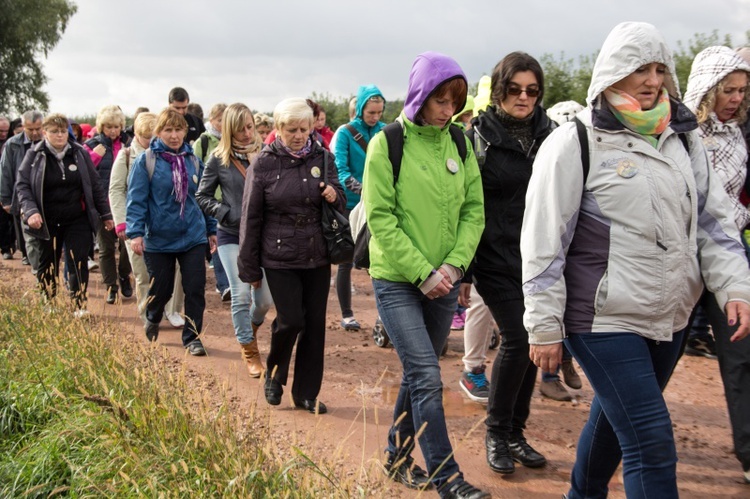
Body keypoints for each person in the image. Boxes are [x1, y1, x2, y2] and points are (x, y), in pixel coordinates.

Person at [522, 22, 750, 498]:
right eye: (638, 68)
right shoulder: (575, 142)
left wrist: (734, 287)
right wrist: (543, 325)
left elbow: (714, 224)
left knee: (612, 423)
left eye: (659, 68)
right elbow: (544, 240)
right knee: (650, 442)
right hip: (600, 317)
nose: (651, 80)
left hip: (670, 317)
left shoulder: (684, 139)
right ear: (610, 74)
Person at [363, 52, 487, 498]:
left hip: (445, 281)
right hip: (397, 279)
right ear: (420, 96)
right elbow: (381, 217)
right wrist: (422, 273)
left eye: (454, 101)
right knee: (428, 376)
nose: (447, 110)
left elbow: (474, 210)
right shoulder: (388, 143)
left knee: (421, 374)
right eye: (439, 99)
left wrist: (453, 266)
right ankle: (445, 476)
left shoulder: (459, 143)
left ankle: (396, 457)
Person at [459, 52, 557, 475]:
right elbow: (461, 204)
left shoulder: (552, 134)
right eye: (515, 89)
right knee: (518, 337)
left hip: (539, 256)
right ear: (499, 90)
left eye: (532, 90)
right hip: (493, 256)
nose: (524, 97)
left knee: (535, 341)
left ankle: (516, 432)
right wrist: (462, 270)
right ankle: (497, 433)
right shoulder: (475, 136)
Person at [238, 97, 345, 415]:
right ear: (278, 128)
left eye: (303, 128)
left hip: (317, 255)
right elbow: (251, 216)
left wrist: (334, 194)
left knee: (314, 326)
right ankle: (275, 374)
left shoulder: (323, 157)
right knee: (291, 320)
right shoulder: (265, 163)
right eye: (291, 129)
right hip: (279, 256)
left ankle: (306, 394)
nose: (298, 135)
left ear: (312, 126)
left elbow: (340, 201)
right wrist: (249, 267)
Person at [683, 45, 750, 485]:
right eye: (729, 90)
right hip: (681, 261)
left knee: (740, 354)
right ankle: (610, 448)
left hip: (729, 259)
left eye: (743, 91)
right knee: (652, 360)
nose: (737, 98)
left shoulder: (740, 137)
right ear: (708, 89)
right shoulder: (680, 135)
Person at [126, 108, 217, 356]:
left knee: (195, 288)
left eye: (179, 130)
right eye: (168, 130)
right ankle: (153, 316)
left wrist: (211, 229)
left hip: (193, 236)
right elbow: (136, 200)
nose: (174, 135)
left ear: (186, 132)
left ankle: (192, 337)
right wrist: (135, 233)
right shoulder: (146, 161)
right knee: (161, 289)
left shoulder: (194, 161)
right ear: (158, 132)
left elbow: (203, 198)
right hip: (159, 237)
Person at [197, 103, 273, 378]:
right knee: (240, 294)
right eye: (239, 128)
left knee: (264, 301)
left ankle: (250, 327)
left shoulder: (267, 154)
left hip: (264, 235)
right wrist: (225, 212)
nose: (246, 132)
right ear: (228, 129)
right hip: (231, 234)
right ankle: (249, 349)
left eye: (250, 126)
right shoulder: (218, 158)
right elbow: (202, 196)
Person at [15, 113, 114, 315]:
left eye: (63, 131)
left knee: (78, 260)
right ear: (45, 133)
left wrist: (106, 214)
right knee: (47, 262)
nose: (60, 135)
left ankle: (79, 304)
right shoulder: (35, 155)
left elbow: (94, 185)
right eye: (54, 131)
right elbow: (22, 185)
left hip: (76, 218)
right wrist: (32, 211)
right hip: (46, 218)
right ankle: (49, 301)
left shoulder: (79, 153)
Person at [109, 111, 185, 326]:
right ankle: (147, 313)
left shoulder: (169, 155)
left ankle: (173, 310)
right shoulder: (125, 156)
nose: (150, 142)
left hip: (166, 223)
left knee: (176, 270)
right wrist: (122, 221)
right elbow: (116, 190)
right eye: (146, 137)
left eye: (154, 137)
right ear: (136, 135)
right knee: (142, 273)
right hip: (137, 225)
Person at [333, 84, 386, 331]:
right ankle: (347, 314)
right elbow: (340, 170)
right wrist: (363, 189)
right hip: (351, 206)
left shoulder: (386, 132)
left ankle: (384, 317)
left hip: (379, 206)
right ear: (361, 108)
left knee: (379, 262)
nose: (375, 117)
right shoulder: (345, 133)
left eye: (379, 112)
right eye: (371, 112)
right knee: (346, 260)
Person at [84, 105, 133, 304]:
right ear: (101, 126)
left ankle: (123, 275)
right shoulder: (91, 144)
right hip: (102, 204)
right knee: (105, 248)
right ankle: (110, 286)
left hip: (125, 203)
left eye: (116, 127)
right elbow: (84, 172)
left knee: (126, 245)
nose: (113, 131)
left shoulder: (128, 145)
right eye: (108, 127)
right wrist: (96, 154)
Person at [194, 102, 231, 302]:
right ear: (211, 120)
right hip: (211, 200)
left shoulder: (232, 140)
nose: (222, 124)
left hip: (230, 198)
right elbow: (196, 166)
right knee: (216, 239)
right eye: (219, 120)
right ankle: (223, 284)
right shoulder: (204, 141)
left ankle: (230, 282)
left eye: (226, 120)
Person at [1, 110, 44, 267]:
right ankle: (36, 269)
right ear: (23, 127)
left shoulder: (48, 141)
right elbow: (5, 172)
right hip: (22, 195)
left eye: (38, 128)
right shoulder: (12, 144)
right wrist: (5, 199)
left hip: (45, 195)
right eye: (30, 129)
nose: (34, 132)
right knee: (28, 235)